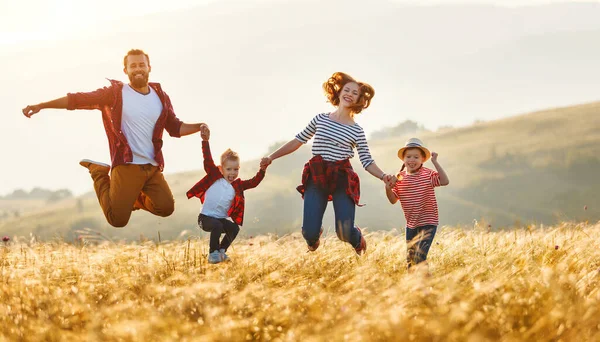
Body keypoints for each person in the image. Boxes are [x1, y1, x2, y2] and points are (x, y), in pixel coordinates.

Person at [22, 49, 207, 227]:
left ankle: (131, 196)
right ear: (125, 70)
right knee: (117, 220)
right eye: (133, 66)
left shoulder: (161, 97)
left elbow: (175, 127)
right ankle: (98, 172)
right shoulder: (115, 94)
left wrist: (199, 127)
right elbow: (77, 100)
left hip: (151, 166)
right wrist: (42, 105)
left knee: (166, 208)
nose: (138, 69)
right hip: (127, 165)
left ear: (149, 67)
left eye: (141, 65)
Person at [260, 72, 397, 255]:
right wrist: (271, 157)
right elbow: (298, 141)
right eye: (346, 90)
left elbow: (366, 160)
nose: (349, 94)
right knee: (309, 232)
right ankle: (313, 237)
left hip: (342, 178)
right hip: (317, 175)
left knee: (344, 232)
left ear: (359, 100)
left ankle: (357, 239)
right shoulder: (320, 119)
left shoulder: (357, 130)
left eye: (354, 93)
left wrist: (383, 176)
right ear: (339, 93)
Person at [186, 126, 268, 264]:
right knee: (217, 225)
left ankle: (222, 250)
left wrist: (262, 170)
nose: (232, 173)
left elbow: (254, 182)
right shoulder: (214, 176)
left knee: (234, 228)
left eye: (235, 169)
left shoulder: (238, 186)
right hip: (205, 218)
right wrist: (205, 141)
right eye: (228, 169)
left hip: (219, 220)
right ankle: (213, 254)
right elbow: (207, 160)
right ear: (221, 168)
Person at [385, 138, 450, 270]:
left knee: (420, 256)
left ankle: (426, 285)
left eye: (416, 157)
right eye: (408, 157)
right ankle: (413, 287)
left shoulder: (427, 174)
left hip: (428, 222)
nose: (412, 160)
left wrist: (435, 162)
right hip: (411, 225)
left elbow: (444, 181)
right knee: (410, 260)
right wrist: (387, 187)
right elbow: (393, 200)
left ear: (422, 160)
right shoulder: (399, 178)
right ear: (403, 159)